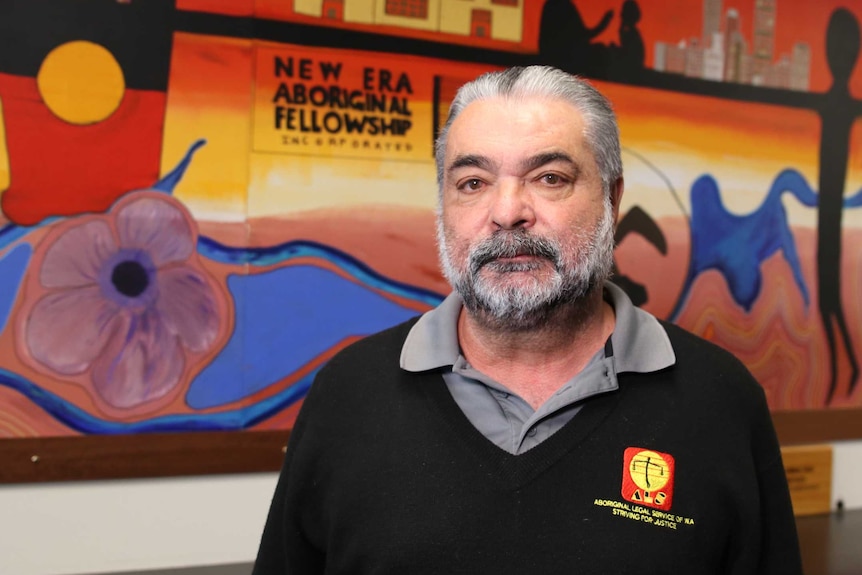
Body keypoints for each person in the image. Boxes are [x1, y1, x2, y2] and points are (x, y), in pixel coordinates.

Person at [252, 65, 803, 574]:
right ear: (444, 208)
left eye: (549, 177)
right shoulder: (347, 395)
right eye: (473, 182)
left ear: (611, 202)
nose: (508, 210)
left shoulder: (723, 401)